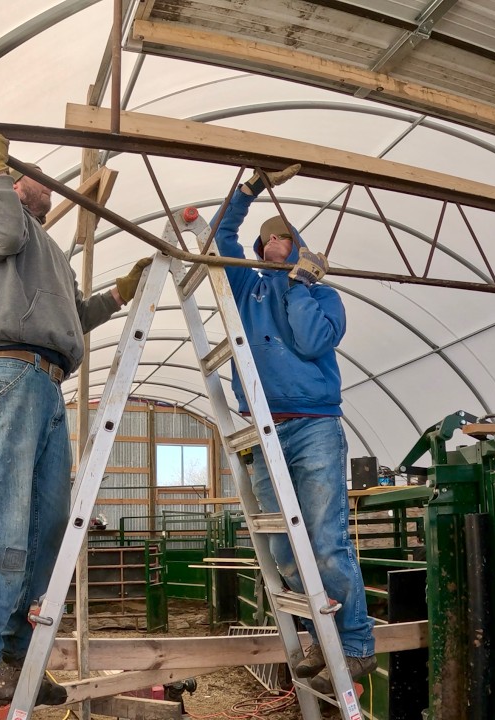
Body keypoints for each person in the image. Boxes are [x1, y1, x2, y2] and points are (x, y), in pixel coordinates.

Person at [0, 112, 151, 706]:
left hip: (45, 380)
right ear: (8, 182)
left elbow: (71, 319)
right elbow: (0, 235)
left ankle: (9, 653)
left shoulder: (47, 250)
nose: (41, 181)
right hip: (5, 373)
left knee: (47, 524)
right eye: (25, 174)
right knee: (3, 513)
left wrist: (118, 294)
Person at [213, 164, 376, 692]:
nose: (271, 244)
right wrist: (248, 191)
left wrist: (300, 284)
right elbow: (220, 235)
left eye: (281, 236)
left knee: (327, 541)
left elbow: (310, 342)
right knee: (283, 546)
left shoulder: (323, 299)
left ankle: (354, 645)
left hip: (314, 427)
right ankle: (311, 633)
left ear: (297, 245)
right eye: (266, 241)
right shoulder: (247, 288)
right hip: (265, 428)